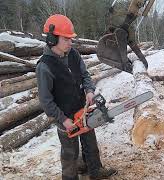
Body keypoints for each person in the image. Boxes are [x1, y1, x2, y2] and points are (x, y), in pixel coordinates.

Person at [36, 14, 117, 180]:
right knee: (69, 154)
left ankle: (95, 170)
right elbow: (45, 100)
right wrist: (63, 119)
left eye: (70, 39)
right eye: (66, 39)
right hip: (64, 117)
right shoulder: (44, 66)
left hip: (82, 109)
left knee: (91, 144)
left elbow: (85, 75)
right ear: (52, 39)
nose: (70, 43)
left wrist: (89, 91)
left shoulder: (73, 54)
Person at [97, 0, 148, 73]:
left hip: (122, 31)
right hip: (121, 31)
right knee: (121, 32)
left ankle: (125, 63)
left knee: (121, 32)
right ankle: (125, 63)